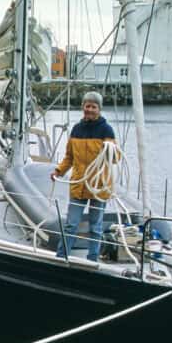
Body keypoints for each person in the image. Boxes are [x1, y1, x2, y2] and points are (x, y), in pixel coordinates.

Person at [50, 91, 117, 261]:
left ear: (99, 109)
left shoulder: (106, 130)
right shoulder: (76, 129)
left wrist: (111, 149)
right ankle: (62, 256)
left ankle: (92, 259)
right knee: (71, 224)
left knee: (95, 227)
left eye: (94, 106)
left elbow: (116, 158)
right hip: (78, 186)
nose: (90, 109)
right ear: (83, 107)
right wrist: (58, 171)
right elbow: (69, 158)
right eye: (87, 106)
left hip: (98, 187)